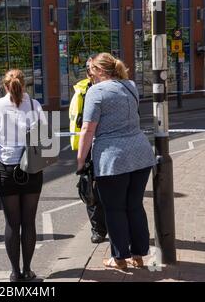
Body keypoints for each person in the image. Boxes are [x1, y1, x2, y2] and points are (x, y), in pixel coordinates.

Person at [76, 53, 156, 270]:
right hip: (141, 155)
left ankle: (119, 258)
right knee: (135, 205)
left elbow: (88, 129)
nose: (89, 74)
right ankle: (138, 255)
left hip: (113, 159)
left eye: (91, 69)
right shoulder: (130, 85)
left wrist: (80, 160)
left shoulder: (96, 91)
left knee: (114, 209)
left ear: (101, 71)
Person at [0, 69, 45, 282]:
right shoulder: (35, 106)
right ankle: (28, 270)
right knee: (29, 222)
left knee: (12, 223)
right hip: (32, 169)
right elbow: (44, 137)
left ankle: (15, 273)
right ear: (24, 85)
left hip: (6, 170)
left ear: (4, 86)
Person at [69, 55, 107, 244]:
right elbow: (77, 120)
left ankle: (110, 225)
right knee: (89, 189)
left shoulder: (110, 88)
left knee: (108, 189)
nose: (91, 74)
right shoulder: (82, 91)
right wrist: (80, 154)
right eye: (89, 70)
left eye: (94, 70)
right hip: (90, 146)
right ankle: (97, 229)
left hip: (108, 145)